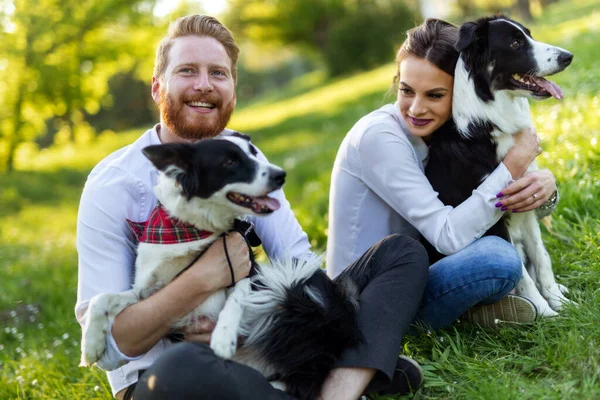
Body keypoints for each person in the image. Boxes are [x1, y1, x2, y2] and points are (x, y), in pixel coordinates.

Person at [76, 15, 430, 400]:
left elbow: (299, 265)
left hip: (259, 347)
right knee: (180, 369)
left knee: (401, 253)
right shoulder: (113, 184)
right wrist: (204, 280)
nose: (204, 85)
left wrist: (251, 322)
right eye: (187, 71)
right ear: (157, 87)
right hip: (169, 376)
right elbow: (110, 349)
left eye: (218, 73)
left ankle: (336, 391)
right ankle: (357, 370)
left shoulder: (245, 158)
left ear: (233, 91)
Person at [326, 18, 560, 330]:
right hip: (367, 302)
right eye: (406, 90)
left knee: (497, 251)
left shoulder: (453, 133)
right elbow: (449, 235)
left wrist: (546, 188)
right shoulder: (379, 136)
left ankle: (478, 307)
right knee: (497, 258)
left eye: (435, 95)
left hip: (423, 268)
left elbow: (482, 206)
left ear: (462, 89)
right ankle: (468, 314)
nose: (416, 109)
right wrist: (510, 168)